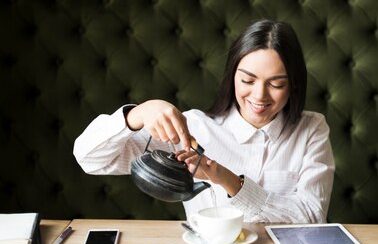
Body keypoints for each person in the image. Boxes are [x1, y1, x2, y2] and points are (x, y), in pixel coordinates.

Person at [74, 20, 334, 223]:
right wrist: (139, 113)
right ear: (232, 77)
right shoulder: (193, 129)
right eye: (247, 81)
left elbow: (313, 215)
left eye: (276, 84)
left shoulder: (311, 129)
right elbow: (91, 159)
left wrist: (226, 179)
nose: (259, 95)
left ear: (294, 84)